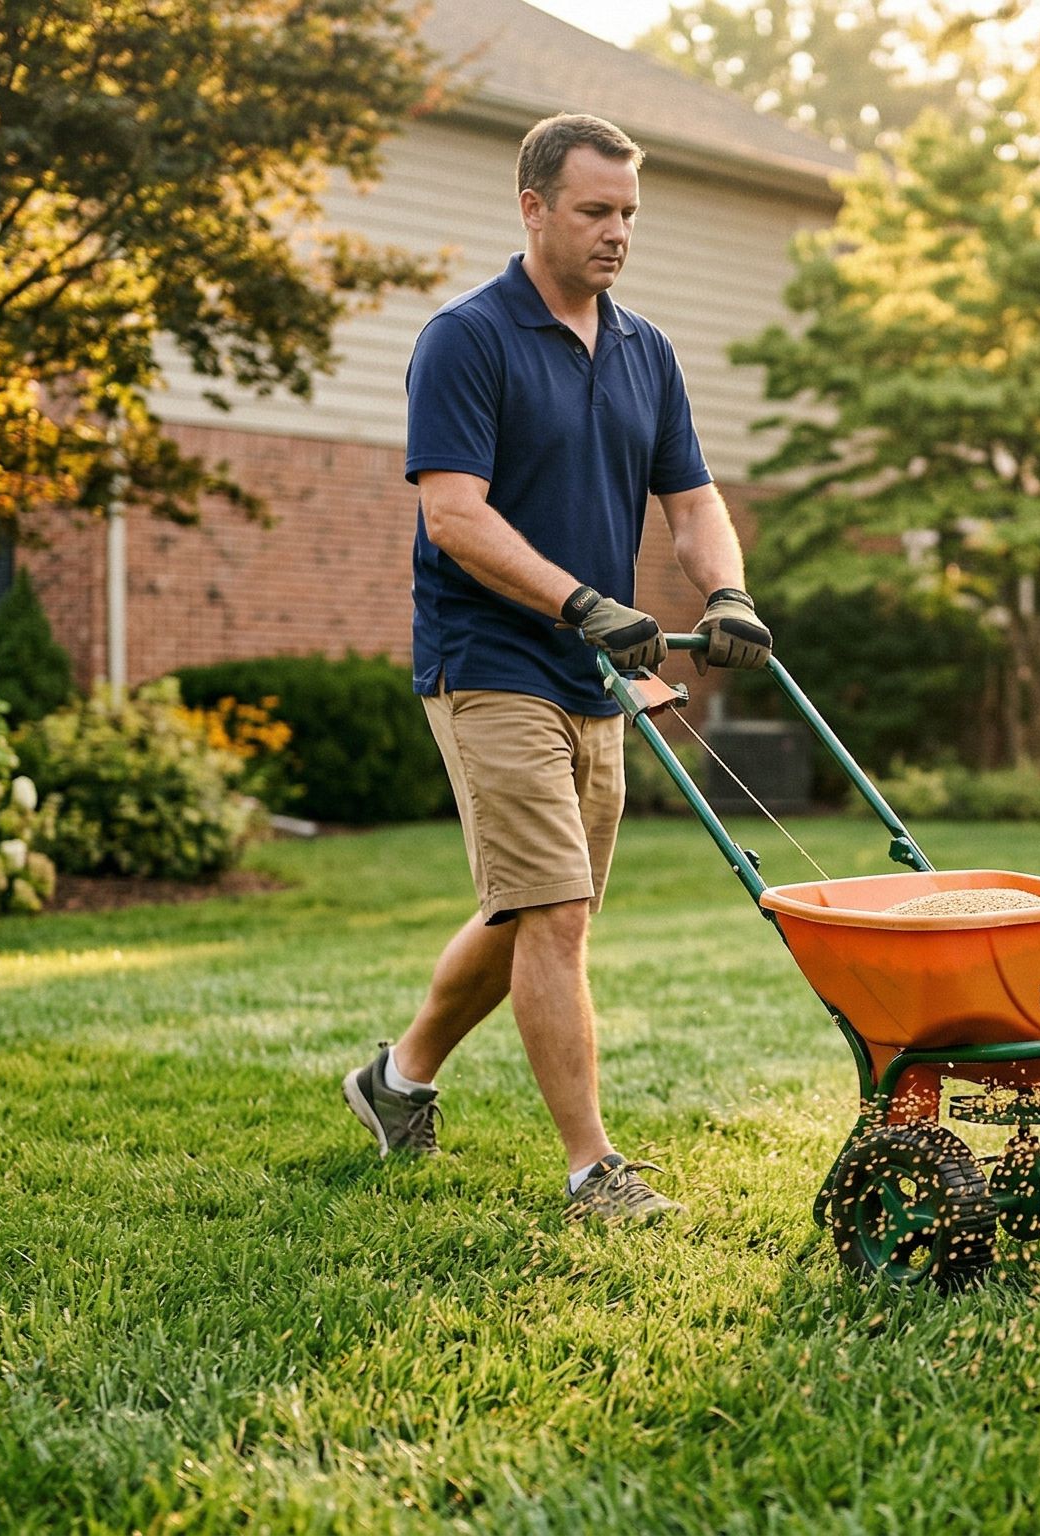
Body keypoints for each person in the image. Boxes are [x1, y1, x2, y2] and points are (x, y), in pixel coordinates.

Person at [341, 113, 772, 1223]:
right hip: (489, 661)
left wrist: (724, 592)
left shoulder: (645, 351)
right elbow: (452, 517)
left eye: (628, 212)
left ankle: (395, 1083)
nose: (617, 232)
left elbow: (692, 501)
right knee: (558, 912)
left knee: (533, 910)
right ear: (532, 207)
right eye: (594, 211)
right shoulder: (468, 339)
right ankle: (593, 1173)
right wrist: (583, 602)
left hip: (595, 674)